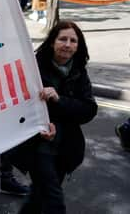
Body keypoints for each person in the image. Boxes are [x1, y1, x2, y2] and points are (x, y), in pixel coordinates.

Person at [13, 21, 98, 214]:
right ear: (52, 42)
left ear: (78, 46)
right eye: (62, 39)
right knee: (54, 200)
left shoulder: (79, 72)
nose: (67, 44)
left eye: (73, 41)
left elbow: (88, 110)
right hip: (36, 145)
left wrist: (60, 100)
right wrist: (42, 123)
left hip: (65, 145)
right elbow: (18, 104)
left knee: (38, 198)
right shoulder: (33, 67)